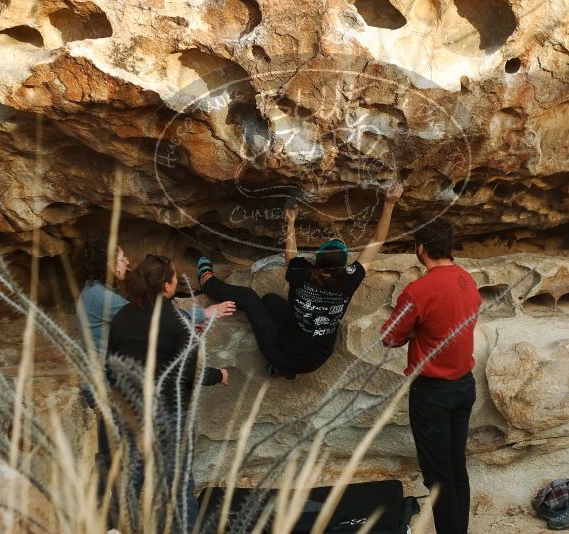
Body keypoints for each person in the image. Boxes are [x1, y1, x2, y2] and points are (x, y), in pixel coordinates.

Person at [191, 183, 404, 378]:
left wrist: (291, 222)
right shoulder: (350, 279)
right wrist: (389, 204)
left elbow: (290, 254)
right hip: (317, 359)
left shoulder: (301, 272)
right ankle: (283, 367)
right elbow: (378, 241)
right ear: (343, 265)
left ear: (317, 259)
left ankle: (207, 281)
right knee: (270, 301)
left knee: (248, 297)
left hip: (281, 352)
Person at [107, 254, 230, 532]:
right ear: (166, 286)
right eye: (174, 277)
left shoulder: (123, 316)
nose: (176, 280)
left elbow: (112, 366)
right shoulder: (177, 321)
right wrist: (219, 375)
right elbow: (191, 374)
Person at [380, 219, 481, 534]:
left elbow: (390, 337)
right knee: (456, 469)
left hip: (433, 393)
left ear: (420, 248)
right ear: (449, 246)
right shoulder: (468, 280)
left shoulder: (418, 289)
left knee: (438, 478)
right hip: (465, 386)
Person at [76, 240, 236, 358]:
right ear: (111, 266)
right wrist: (205, 313)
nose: (127, 262)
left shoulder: (93, 289)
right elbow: (154, 320)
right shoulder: (105, 298)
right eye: (122, 259)